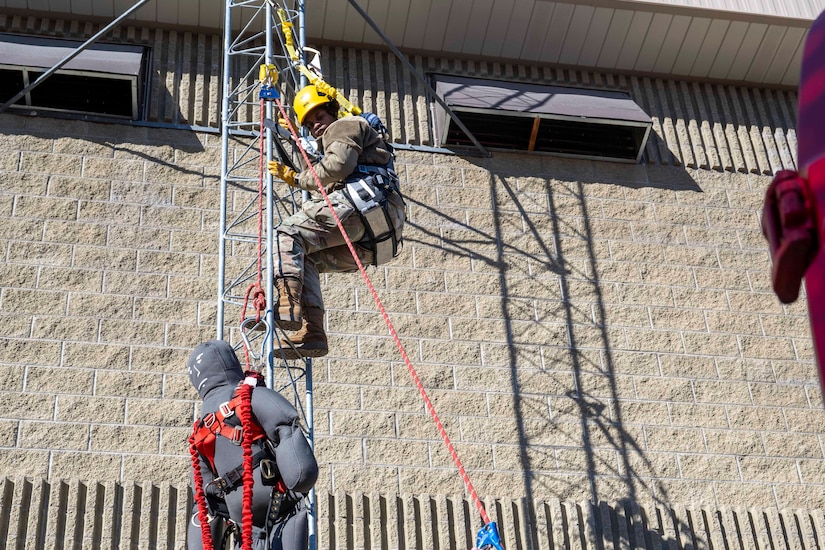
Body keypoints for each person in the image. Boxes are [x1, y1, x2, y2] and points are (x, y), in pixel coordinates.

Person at [267, 84, 405, 360]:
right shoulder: (350, 139)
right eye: (309, 123)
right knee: (303, 259)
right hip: (376, 237)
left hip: (362, 206)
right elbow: (328, 174)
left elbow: (335, 167)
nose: (316, 125)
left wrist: (296, 179)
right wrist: (298, 143)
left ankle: (288, 304)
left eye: (319, 117)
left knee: (287, 234)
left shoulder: (345, 125)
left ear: (332, 111)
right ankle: (313, 333)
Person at [187, 339, 318, 550]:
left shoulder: (201, 429)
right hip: (280, 507)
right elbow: (284, 426)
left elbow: (203, 499)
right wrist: (300, 472)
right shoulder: (246, 396)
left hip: (244, 525)